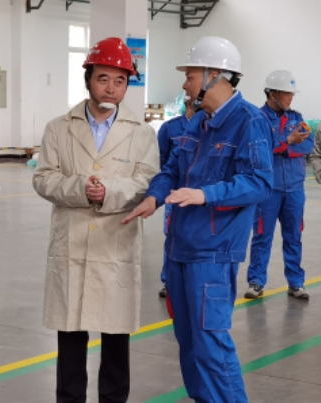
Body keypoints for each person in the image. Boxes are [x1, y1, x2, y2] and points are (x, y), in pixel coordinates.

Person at [122, 36, 273, 402]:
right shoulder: (198, 122)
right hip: (179, 248)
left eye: (190, 76)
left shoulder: (249, 121)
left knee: (211, 344)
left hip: (213, 253)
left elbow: (259, 182)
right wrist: (154, 197)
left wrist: (206, 194)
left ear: (214, 75)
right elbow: (172, 169)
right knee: (188, 341)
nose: (185, 84)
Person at [33, 37, 159, 403]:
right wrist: (79, 188)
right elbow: (43, 177)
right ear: (88, 79)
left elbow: (147, 181)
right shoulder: (59, 128)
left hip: (116, 245)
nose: (111, 88)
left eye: (120, 81)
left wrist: (109, 192)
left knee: (116, 343)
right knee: (70, 341)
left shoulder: (141, 133)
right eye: (103, 78)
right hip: (71, 244)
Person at [244, 70, 313, 300]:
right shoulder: (257, 119)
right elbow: (258, 148)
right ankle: (256, 281)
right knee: (262, 235)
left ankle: (296, 283)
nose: (290, 98)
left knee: (294, 236)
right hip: (268, 189)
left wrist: (283, 148)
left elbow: (307, 145)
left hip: (294, 188)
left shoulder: (296, 117)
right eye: (286, 94)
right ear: (272, 94)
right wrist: (288, 141)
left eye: (292, 94)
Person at [157, 97, 194, 298]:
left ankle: (190, 280)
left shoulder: (211, 128)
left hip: (199, 195)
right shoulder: (169, 129)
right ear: (188, 104)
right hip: (175, 195)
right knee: (172, 235)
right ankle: (169, 281)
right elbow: (161, 162)